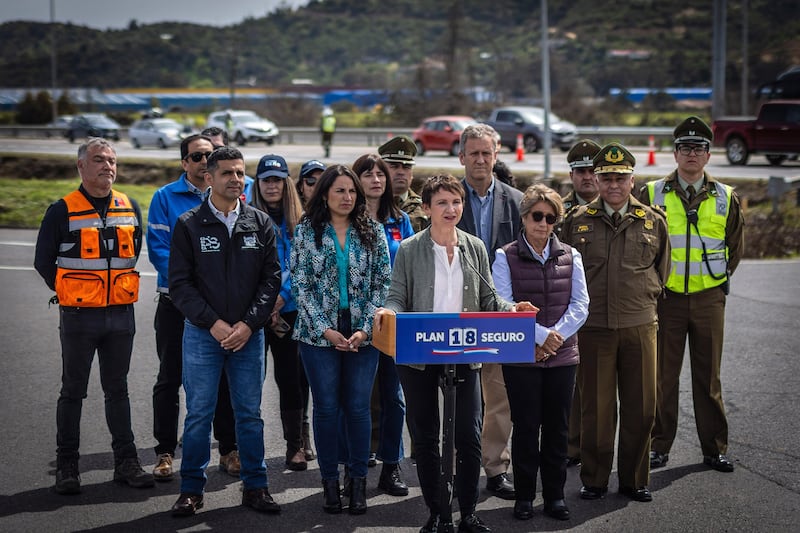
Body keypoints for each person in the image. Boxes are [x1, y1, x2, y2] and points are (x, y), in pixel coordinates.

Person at [376, 174, 535, 533]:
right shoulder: (410, 248)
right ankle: (437, 513)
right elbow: (397, 295)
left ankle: (468, 513)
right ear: (426, 208)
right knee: (426, 434)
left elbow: (490, 298)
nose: (451, 209)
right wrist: (389, 312)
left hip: (465, 350)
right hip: (419, 352)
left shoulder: (474, 246)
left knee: (468, 434)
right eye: (443, 203)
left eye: (456, 202)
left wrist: (511, 309)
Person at [34, 138, 154, 494]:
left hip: (120, 315)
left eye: (112, 160)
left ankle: (126, 463)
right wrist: (72, 292)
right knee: (73, 391)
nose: (108, 166)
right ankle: (67, 466)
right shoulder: (61, 210)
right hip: (78, 316)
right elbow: (43, 261)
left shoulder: (129, 205)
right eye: (99, 160)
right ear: (81, 167)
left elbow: (134, 250)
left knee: (118, 389)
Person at [168, 146, 282, 517]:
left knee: (250, 413)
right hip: (204, 335)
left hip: (248, 336)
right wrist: (214, 324)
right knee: (199, 413)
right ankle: (190, 490)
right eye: (228, 173)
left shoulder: (260, 223)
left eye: (240, 172)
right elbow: (180, 285)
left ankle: (256, 486)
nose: (236, 179)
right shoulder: (188, 224)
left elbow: (271, 280)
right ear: (209, 177)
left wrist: (249, 324)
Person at [560, 142, 670, 503]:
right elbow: (567, 277)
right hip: (594, 328)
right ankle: (593, 479)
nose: (613, 185)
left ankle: (635, 479)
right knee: (596, 408)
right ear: (596, 179)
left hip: (640, 325)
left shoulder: (654, 221)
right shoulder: (576, 222)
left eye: (620, 178)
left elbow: (661, 271)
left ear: (632, 180)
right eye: (606, 178)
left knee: (641, 406)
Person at [641, 116, 745, 473]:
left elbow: (735, 247)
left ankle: (714, 449)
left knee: (708, 377)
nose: (691, 154)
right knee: (662, 379)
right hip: (665, 300)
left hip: (708, 300)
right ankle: (658, 446)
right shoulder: (652, 193)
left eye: (698, 148)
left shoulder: (726, 197)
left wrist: (716, 282)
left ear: (708, 155)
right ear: (674, 153)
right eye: (684, 148)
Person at [290, 165, 391, 515]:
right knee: (327, 408)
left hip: (363, 334)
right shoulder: (306, 230)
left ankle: (358, 482)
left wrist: (364, 329)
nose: (347, 198)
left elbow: (383, 284)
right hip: (318, 337)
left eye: (352, 192)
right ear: (325, 195)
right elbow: (300, 284)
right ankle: (330, 484)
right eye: (340, 192)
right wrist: (325, 329)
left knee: (359, 409)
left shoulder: (373, 231)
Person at [492, 184, 589, 521]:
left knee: (558, 428)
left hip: (562, 356)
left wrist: (555, 338)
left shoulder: (571, 255)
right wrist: (540, 337)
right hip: (521, 356)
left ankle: (554, 496)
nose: (544, 223)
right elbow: (503, 304)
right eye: (537, 216)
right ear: (524, 216)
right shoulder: (504, 256)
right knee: (526, 426)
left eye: (551, 218)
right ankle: (523, 497)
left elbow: (581, 305)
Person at [147, 134, 240, 482]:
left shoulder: (229, 195)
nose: (205, 161)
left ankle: (229, 449)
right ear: (184, 162)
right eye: (198, 156)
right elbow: (160, 252)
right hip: (176, 304)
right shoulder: (164, 198)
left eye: (210, 155)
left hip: (219, 310)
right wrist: (197, 287)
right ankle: (165, 452)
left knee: (223, 383)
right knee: (170, 379)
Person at [456, 123, 522, 501]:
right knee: (456, 395)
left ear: (497, 156)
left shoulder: (516, 201)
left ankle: (496, 468)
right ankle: (457, 469)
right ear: (461, 156)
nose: (481, 160)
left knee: (498, 398)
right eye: (474, 153)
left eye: (487, 153)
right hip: (455, 314)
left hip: (499, 315)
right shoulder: (445, 197)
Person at [352, 153, 413, 496]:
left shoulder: (400, 220)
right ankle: (355, 469)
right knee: (357, 399)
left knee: (395, 398)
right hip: (357, 322)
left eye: (381, 174)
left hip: (392, 320)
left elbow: (409, 267)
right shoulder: (346, 218)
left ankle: (392, 466)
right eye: (368, 173)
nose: (376, 179)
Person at [249, 153, 312, 471]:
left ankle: (295, 445)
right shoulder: (246, 217)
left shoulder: (300, 222)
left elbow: (304, 270)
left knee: (291, 380)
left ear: (286, 182)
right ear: (257, 183)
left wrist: (280, 298)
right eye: (266, 180)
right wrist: (264, 303)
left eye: (277, 179)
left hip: (288, 311)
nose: (272, 186)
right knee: (249, 381)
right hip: (253, 313)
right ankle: (246, 449)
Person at [561, 138, 601, 468]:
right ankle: (571, 447)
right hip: (567, 312)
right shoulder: (557, 211)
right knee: (572, 385)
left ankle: (597, 446)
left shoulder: (615, 206)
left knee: (602, 385)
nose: (587, 177)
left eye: (592, 170)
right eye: (580, 171)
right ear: (572, 174)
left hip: (605, 308)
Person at [378, 135, 430, 233]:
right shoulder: (372, 204)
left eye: (406, 167)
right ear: (382, 170)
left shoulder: (423, 207)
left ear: (412, 174)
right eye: (394, 166)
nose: (400, 172)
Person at [201, 126, 254, 202]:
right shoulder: (193, 188)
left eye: (217, 148)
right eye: (206, 151)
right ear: (208, 179)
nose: (212, 153)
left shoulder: (250, 186)